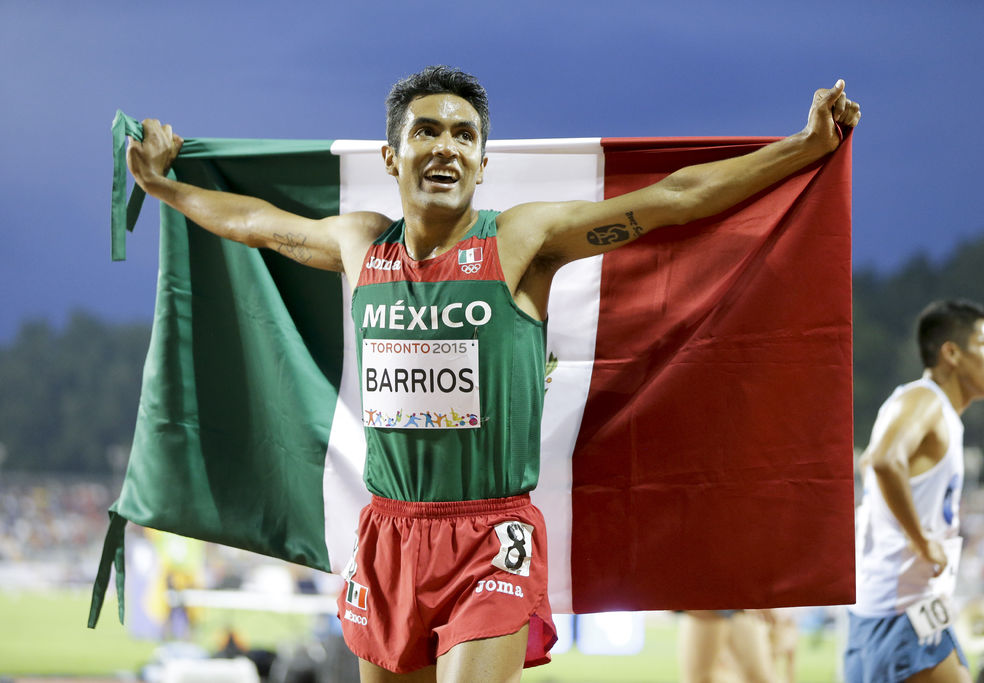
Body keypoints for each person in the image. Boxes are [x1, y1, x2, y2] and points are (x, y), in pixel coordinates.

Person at [125, 65, 861, 683]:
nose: (446, 146)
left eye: (464, 135)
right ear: (392, 157)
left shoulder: (518, 241)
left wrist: (802, 147)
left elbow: (669, 203)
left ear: (482, 162)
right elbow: (254, 224)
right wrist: (163, 187)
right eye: (426, 131)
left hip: (490, 537)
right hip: (386, 534)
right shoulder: (360, 245)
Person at [845, 299, 984, 683]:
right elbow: (883, 460)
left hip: (896, 608)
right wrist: (921, 541)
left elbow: (869, 463)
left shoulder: (920, 405)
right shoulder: (926, 399)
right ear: (952, 353)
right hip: (902, 612)